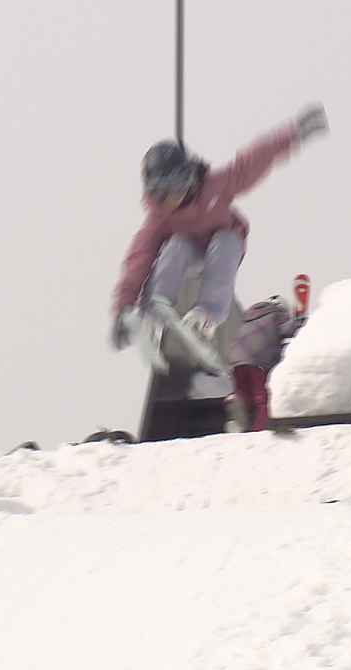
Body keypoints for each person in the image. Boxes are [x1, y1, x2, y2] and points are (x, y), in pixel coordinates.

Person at [110, 104, 328, 363]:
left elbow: (252, 161)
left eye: (179, 188)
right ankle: (155, 315)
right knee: (175, 246)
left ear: (191, 177)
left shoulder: (214, 186)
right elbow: (138, 259)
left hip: (223, 247)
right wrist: (124, 308)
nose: (174, 200)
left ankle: (208, 314)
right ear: (152, 194)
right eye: (163, 195)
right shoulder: (159, 218)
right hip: (189, 256)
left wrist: (295, 133)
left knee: (225, 240)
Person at [222, 296, 305, 432]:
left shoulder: (249, 318)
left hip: (236, 359)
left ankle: (238, 399)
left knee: (245, 393)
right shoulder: (277, 314)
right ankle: (259, 430)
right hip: (259, 359)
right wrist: (299, 322)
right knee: (261, 399)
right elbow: (286, 330)